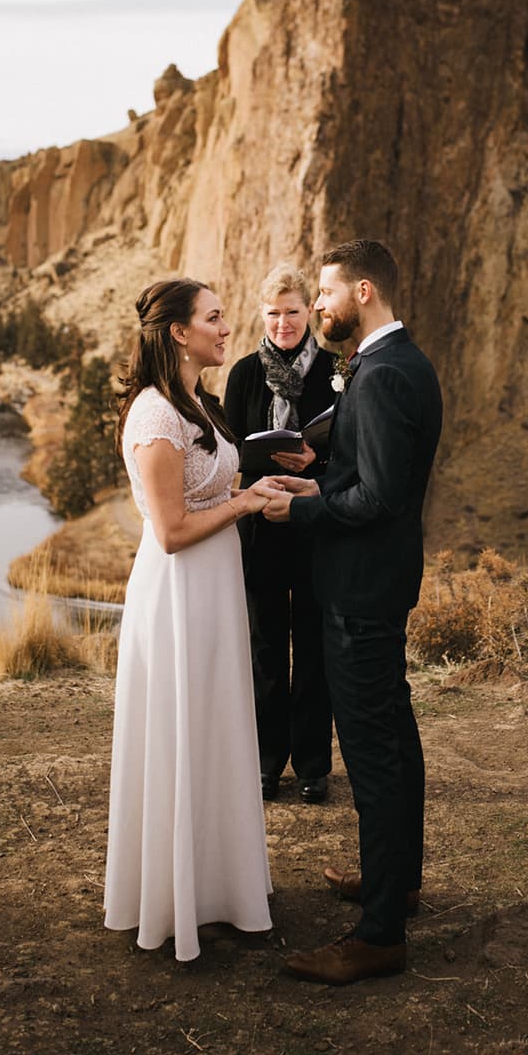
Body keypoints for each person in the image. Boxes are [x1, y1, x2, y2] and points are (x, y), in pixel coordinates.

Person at [255, 239, 443, 985]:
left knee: (372, 754)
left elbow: (382, 499)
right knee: (392, 737)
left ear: (363, 291)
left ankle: (378, 936)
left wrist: (299, 515)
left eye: (327, 294)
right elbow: (365, 476)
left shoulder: (388, 374)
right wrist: (319, 478)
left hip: (363, 593)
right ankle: (395, 883)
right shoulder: (390, 363)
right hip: (372, 585)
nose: (320, 305)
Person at [103, 277, 273, 962]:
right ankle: (174, 896)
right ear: (179, 332)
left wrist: (257, 481)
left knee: (215, 731)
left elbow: (206, 490)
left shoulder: (196, 401)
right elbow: (171, 530)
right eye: (214, 317)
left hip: (213, 589)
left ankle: (221, 886)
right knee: (182, 732)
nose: (226, 327)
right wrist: (247, 503)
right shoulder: (155, 416)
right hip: (177, 593)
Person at [223, 264, 337, 804]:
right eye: (273, 313)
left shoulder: (337, 371)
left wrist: (320, 457)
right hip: (260, 527)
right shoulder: (244, 373)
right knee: (265, 648)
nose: (283, 322)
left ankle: (314, 765)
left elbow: (349, 451)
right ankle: (266, 764)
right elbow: (230, 450)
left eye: (293, 311)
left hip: (315, 527)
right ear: (261, 315)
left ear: (307, 311)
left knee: (313, 648)